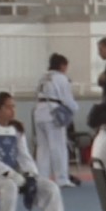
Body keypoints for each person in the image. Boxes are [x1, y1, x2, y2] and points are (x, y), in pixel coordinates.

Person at [0, 92, 73, 211]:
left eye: (14, 107)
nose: (13, 110)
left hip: (14, 175)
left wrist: (31, 174)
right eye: (8, 107)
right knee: (9, 186)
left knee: (50, 187)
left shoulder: (16, 129)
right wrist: (9, 173)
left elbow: (24, 155)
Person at [34, 53, 80, 188]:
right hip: (53, 114)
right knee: (58, 147)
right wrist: (75, 108)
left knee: (43, 148)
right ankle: (61, 178)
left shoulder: (43, 77)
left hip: (39, 112)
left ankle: (42, 178)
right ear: (62, 65)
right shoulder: (61, 78)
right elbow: (67, 98)